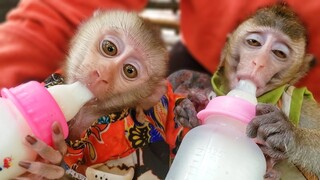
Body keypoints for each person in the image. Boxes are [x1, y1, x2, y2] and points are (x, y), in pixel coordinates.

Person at [1, 0, 320, 179]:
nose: (259, 63)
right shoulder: (185, 87)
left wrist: (293, 137)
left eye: (279, 53)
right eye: (253, 43)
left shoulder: (297, 107)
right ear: (229, 44)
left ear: (300, 67)